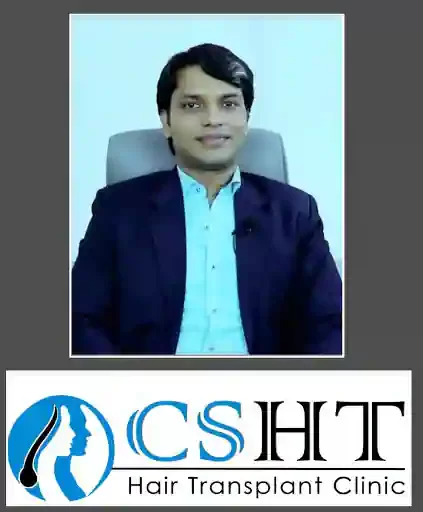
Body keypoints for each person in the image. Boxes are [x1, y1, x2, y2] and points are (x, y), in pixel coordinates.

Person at [72, 43, 342, 356]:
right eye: (192, 105)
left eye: (229, 104)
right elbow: (81, 320)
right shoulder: (118, 211)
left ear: (246, 118)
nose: (213, 119)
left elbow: (330, 324)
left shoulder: (294, 213)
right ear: (166, 121)